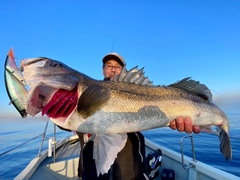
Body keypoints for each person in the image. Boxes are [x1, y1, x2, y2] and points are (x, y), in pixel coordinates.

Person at [79, 52, 200, 180]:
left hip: (131, 171)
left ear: (124, 69)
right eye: (109, 66)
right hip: (91, 172)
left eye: (118, 66)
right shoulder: (86, 92)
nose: (113, 69)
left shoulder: (138, 91)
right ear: (103, 69)